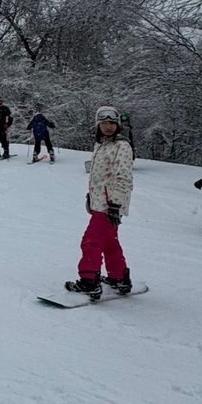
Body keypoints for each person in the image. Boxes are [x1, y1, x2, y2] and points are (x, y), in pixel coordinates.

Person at [64, 105, 134, 296]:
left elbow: (124, 177)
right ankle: (119, 277)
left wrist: (115, 204)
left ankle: (89, 281)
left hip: (110, 204)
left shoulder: (122, 146)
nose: (109, 127)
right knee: (109, 241)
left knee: (91, 241)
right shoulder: (101, 145)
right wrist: (91, 197)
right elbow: (100, 177)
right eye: (104, 123)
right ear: (98, 125)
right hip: (101, 203)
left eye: (112, 123)